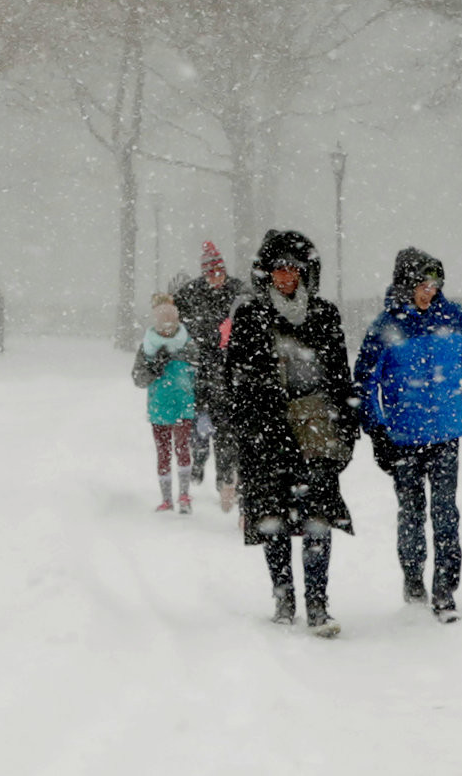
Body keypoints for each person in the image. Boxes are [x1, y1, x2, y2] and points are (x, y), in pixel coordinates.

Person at [217, 226, 357, 636]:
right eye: (278, 268)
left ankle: (317, 603)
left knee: (317, 517)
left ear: (305, 271)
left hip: (316, 434)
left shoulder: (324, 314)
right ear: (266, 272)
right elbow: (234, 379)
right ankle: (283, 597)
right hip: (267, 434)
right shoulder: (249, 315)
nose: (286, 276)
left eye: (293, 268)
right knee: (273, 518)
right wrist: (250, 425)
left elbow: (339, 376)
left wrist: (345, 426)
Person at [354, 246, 462, 623]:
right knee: (412, 514)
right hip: (403, 438)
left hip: (445, 435)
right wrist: (377, 431)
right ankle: (414, 579)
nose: (429, 291)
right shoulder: (385, 327)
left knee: (446, 513)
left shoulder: (454, 319)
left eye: (434, 283)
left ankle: (445, 592)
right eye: (422, 284)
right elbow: (366, 383)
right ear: (405, 284)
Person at [165, 242, 245, 512]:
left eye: (220, 272)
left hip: (226, 372)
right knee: (198, 426)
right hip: (198, 370)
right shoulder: (191, 292)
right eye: (211, 274)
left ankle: (225, 479)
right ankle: (198, 464)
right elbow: (173, 315)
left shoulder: (236, 290)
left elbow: (251, 303)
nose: (216, 278)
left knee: (225, 430)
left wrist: (234, 329)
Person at [131, 294, 200, 513]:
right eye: (162, 323)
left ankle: (184, 496)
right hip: (159, 406)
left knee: (182, 448)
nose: (167, 328)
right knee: (163, 452)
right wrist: (152, 370)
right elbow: (137, 378)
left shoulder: (188, 345)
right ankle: (167, 498)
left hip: (183, 405)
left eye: (171, 323)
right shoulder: (148, 347)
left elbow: (199, 374)